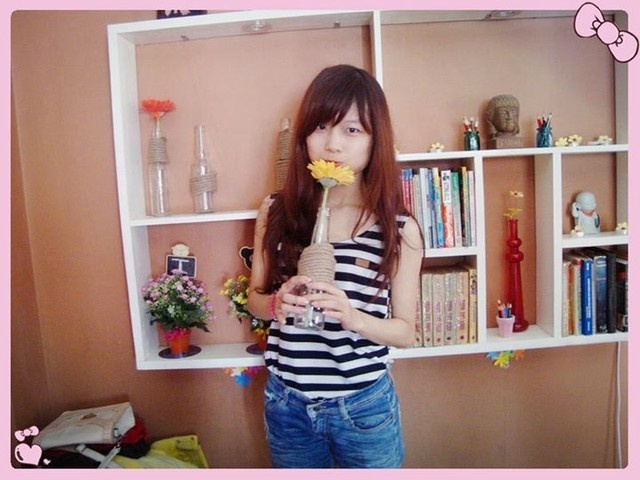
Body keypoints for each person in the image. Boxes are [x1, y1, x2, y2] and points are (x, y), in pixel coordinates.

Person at [247, 64, 422, 469]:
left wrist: (352, 316)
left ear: (376, 139)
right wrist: (275, 304)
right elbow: (255, 301)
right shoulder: (275, 212)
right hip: (287, 404)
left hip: (363, 407)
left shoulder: (398, 229)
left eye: (352, 130)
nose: (332, 144)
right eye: (321, 126)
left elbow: (405, 333)